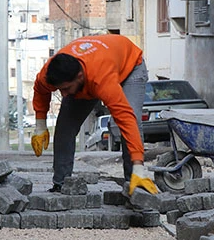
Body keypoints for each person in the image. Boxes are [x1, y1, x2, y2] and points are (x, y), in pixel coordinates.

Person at [31, 34, 158, 196]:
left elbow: (126, 119)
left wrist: (139, 164)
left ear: (79, 77)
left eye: (66, 88)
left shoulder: (102, 80)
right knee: (64, 128)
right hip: (101, 60)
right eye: (59, 89)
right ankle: (61, 185)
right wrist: (40, 124)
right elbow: (40, 90)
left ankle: (136, 182)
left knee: (130, 120)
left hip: (130, 66)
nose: (63, 94)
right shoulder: (50, 72)